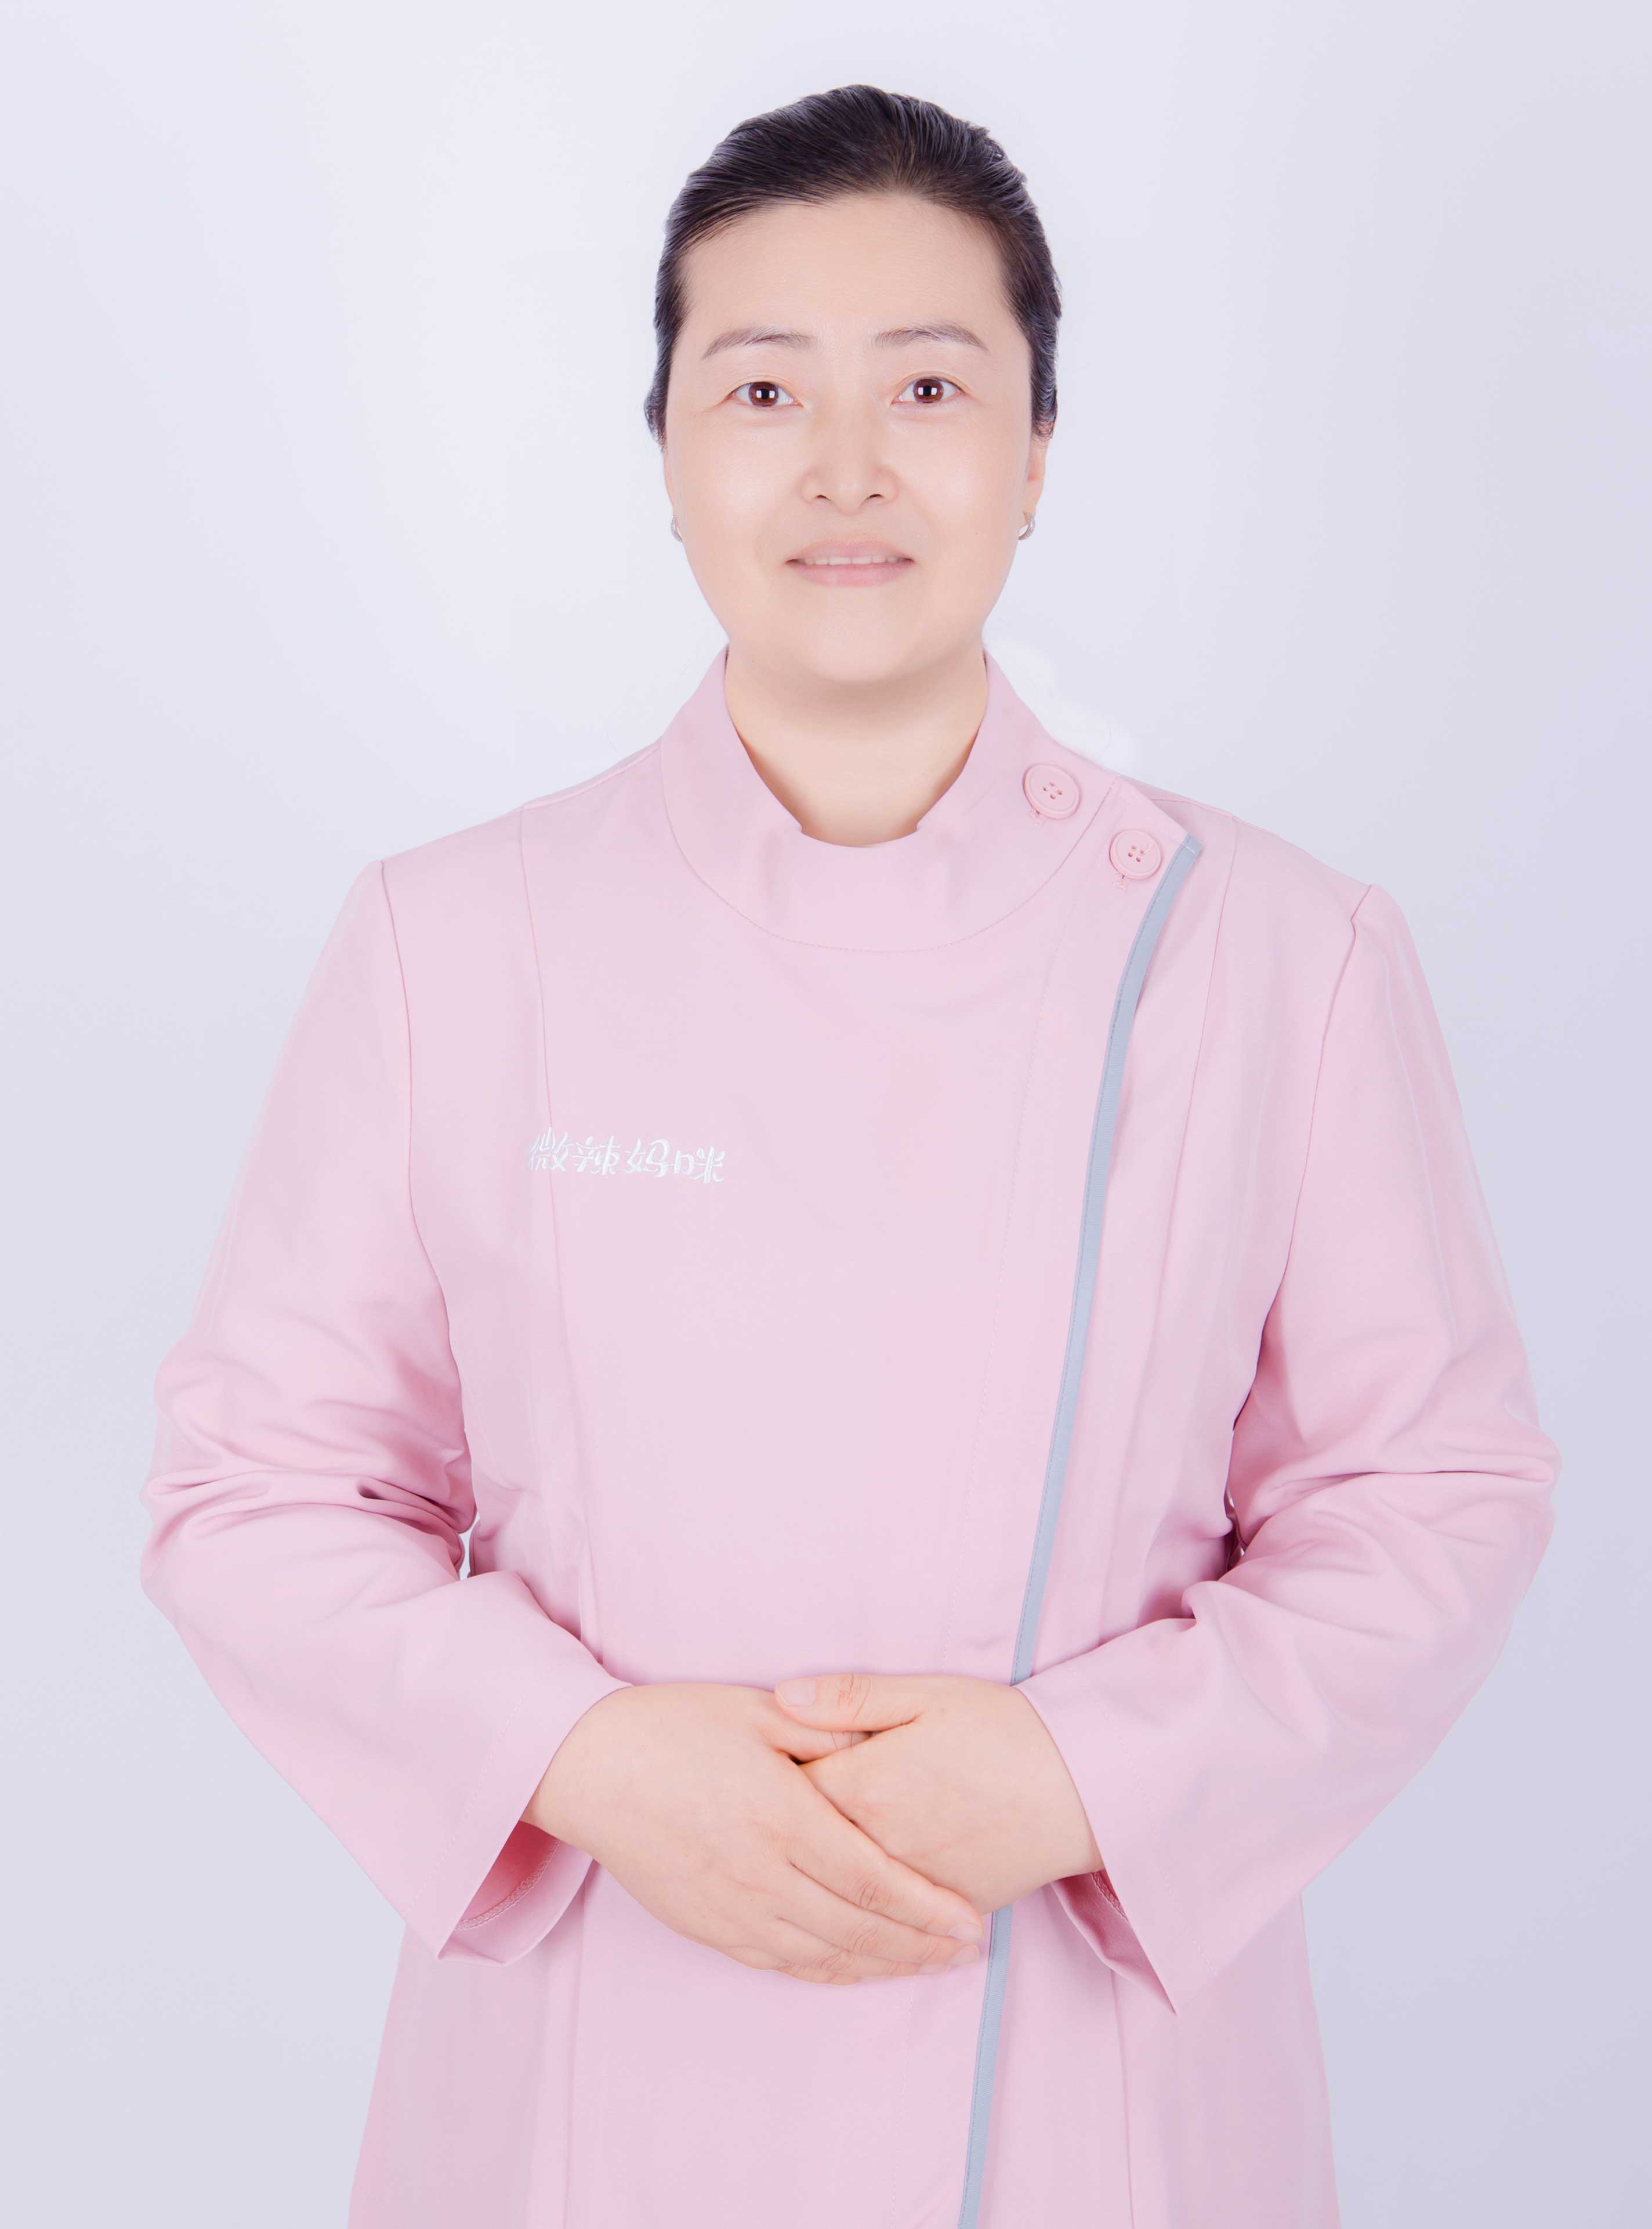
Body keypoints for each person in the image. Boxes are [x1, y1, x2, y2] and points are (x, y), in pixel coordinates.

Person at [137, 82, 1559, 2229]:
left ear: (1037, 450)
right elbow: (257, 1488)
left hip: (1091, 2080)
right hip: (590, 2070)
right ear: (665, 451)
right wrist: (587, 1757)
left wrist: (1083, 1770)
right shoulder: (454, 942)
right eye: (760, 387)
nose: (843, 466)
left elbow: (1428, 1495)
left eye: (927, 386)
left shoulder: (1280, 955)